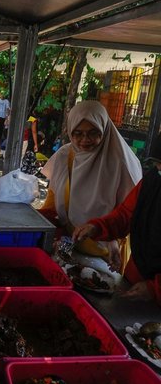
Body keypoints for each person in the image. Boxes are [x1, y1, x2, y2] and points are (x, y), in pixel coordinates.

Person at [40, 100, 142, 266]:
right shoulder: (64, 156)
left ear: (105, 129)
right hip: (66, 245)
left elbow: (129, 213)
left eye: (93, 133)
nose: (84, 140)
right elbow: (52, 203)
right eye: (78, 133)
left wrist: (113, 239)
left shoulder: (122, 163)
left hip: (106, 252)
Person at [72, 134, 161, 305]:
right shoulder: (153, 180)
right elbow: (125, 214)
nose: (158, 168)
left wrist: (155, 289)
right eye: (158, 164)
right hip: (135, 277)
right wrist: (97, 227)